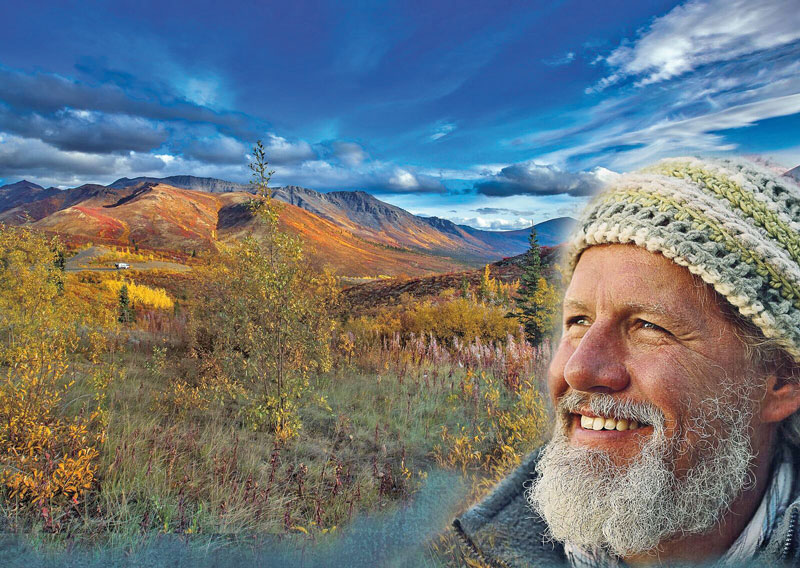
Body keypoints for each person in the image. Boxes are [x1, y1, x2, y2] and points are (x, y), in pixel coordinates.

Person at [453, 157, 800, 567]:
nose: (578, 370)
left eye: (649, 326)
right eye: (578, 321)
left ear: (782, 379)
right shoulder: (463, 553)